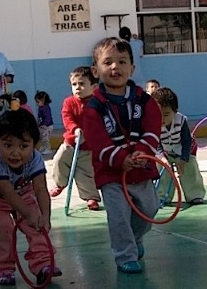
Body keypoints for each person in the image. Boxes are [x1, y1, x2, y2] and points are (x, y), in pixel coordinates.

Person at [83, 37, 163, 273]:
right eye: (107, 62)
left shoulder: (144, 100)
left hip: (142, 167)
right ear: (95, 71)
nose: (115, 67)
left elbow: (153, 128)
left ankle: (135, 239)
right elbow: (98, 142)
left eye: (121, 62)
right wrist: (120, 159)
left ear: (132, 68)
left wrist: (144, 151)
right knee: (118, 217)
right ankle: (125, 255)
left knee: (150, 209)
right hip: (111, 173)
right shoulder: (93, 108)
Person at [0, 109, 62, 286]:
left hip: (23, 191)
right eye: (8, 145)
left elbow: (41, 189)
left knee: (37, 226)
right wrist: (29, 215)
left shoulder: (35, 159)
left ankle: (43, 264)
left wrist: (45, 216)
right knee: (2, 227)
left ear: (34, 145)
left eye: (23, 146)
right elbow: (8, 193)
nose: (15, 152)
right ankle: (3, 268)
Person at [49, 67, 102, 211]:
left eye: (82, 84)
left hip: (88, 146)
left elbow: (99, 121)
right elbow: (67, 117)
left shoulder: (97, 103)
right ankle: (60, 183)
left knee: (86, 172)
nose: (78, 87)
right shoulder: (69, 102)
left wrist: (90, 134)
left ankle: (91, 197)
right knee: (59, 160)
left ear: (94, 87)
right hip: (71, 142)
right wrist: (74, 129)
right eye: (74, 84)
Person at [151, 87, 206, 205]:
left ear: (175, 111)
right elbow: (156, 143)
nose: (162, 118)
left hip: (184, 150)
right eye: (158, 114)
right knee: (162, 168)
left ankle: (195, 194)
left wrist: (183, 159)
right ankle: (162, 195)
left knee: (189, 168)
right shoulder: (152, 123)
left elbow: (186, 141)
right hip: (166, 151)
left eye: (166, 114)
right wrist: (162, 159)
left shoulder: (181, 120)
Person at [34, 90, 54, 155]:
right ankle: (44, 147)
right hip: (42, 126)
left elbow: (47, 117)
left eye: (38, 102)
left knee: (45, 138)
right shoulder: (41, 108)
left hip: (47, 126)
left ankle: (48, 149)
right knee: (42, 137)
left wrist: (45, 124)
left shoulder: (45, 108)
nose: (37, 103)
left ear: (43, 101)